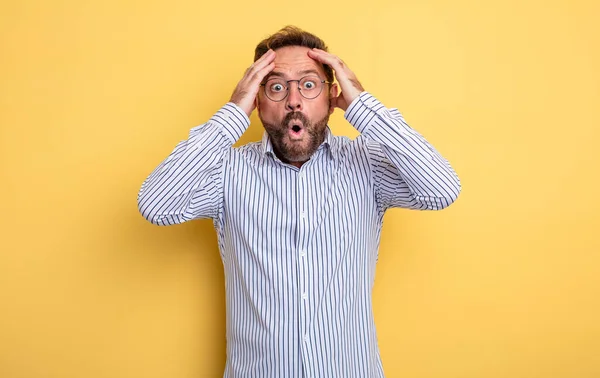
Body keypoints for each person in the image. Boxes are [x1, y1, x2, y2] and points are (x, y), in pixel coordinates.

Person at [137, 25, 461, 378]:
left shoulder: (367, 164)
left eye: (309, 85)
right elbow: (156, 204)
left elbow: (441, 188)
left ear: (332, 97)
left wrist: (364, 107)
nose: (294, 100)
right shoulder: (225, 171)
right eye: (276, 87)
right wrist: (231, 113)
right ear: (257, 101)